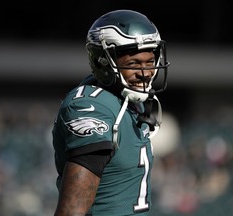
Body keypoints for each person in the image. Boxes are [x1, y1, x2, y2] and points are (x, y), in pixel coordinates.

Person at [52, 9, 170, 216]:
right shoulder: (91, 108)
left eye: (150, 62)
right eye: (134, 64)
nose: (146, 73)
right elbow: (72, 211)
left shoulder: (130, 101)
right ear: (103, 62)